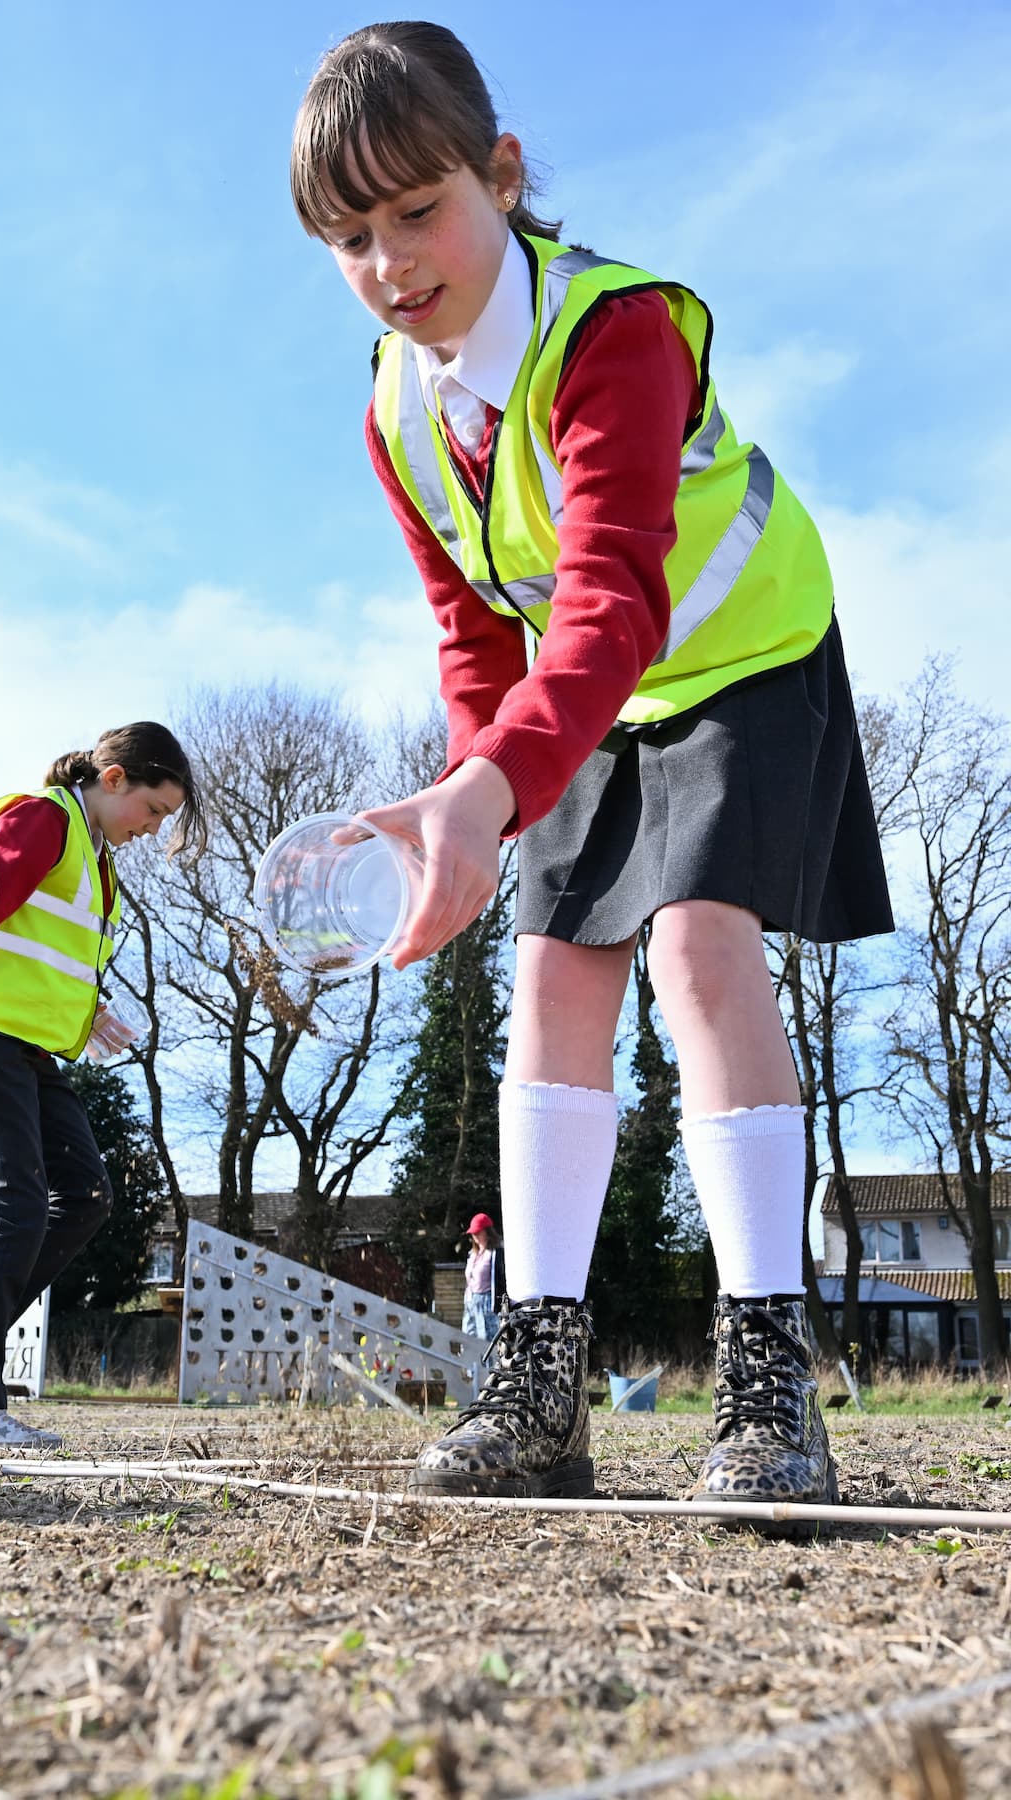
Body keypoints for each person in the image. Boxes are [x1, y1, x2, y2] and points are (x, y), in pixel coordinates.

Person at [291, 23, 893, 1501]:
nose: (390, 262)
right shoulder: (394, 406)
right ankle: (538, 1390)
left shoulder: (615, 331)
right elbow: (475, 637)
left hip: (737, 652)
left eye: (418, 209)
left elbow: (614, 588)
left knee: (694, 947)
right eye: (349, 235)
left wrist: (492, 786)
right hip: (586, 701)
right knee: (554, 973)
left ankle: (767, 1395)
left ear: (501, 176)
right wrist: (465, 812)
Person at [0, 722, 206, 1451]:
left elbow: (40, 951)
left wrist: (89, 1012)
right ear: (115, 779)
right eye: (154, 812)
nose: (152, 831)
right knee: (17, 1206)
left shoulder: (98, 860)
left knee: (86, 1195)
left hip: (30, 1051)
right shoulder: (42, 819)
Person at [461, 1213, 502, 1341]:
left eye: (478, 1232)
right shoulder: (472, 1254)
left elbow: (500, 1279)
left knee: (486, 1341)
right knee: (468, 1337)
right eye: (473, 1233)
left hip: (487, 1302)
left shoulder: (495, 1253)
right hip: (471, 1301)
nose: (475, 1236)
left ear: (488, 1232)